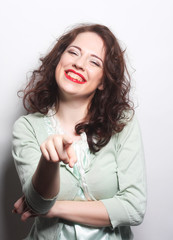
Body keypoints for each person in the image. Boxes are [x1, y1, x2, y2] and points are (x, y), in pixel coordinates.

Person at [12, 23, 146, 240]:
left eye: (94, 62)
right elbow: (37, 202)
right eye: (73, 52)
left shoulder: (122, 122)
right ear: (59, 60)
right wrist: (49, 161)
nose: (79, 64)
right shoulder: (27, 127)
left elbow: (133, 207)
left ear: (103, 81)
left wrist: (54, 209)